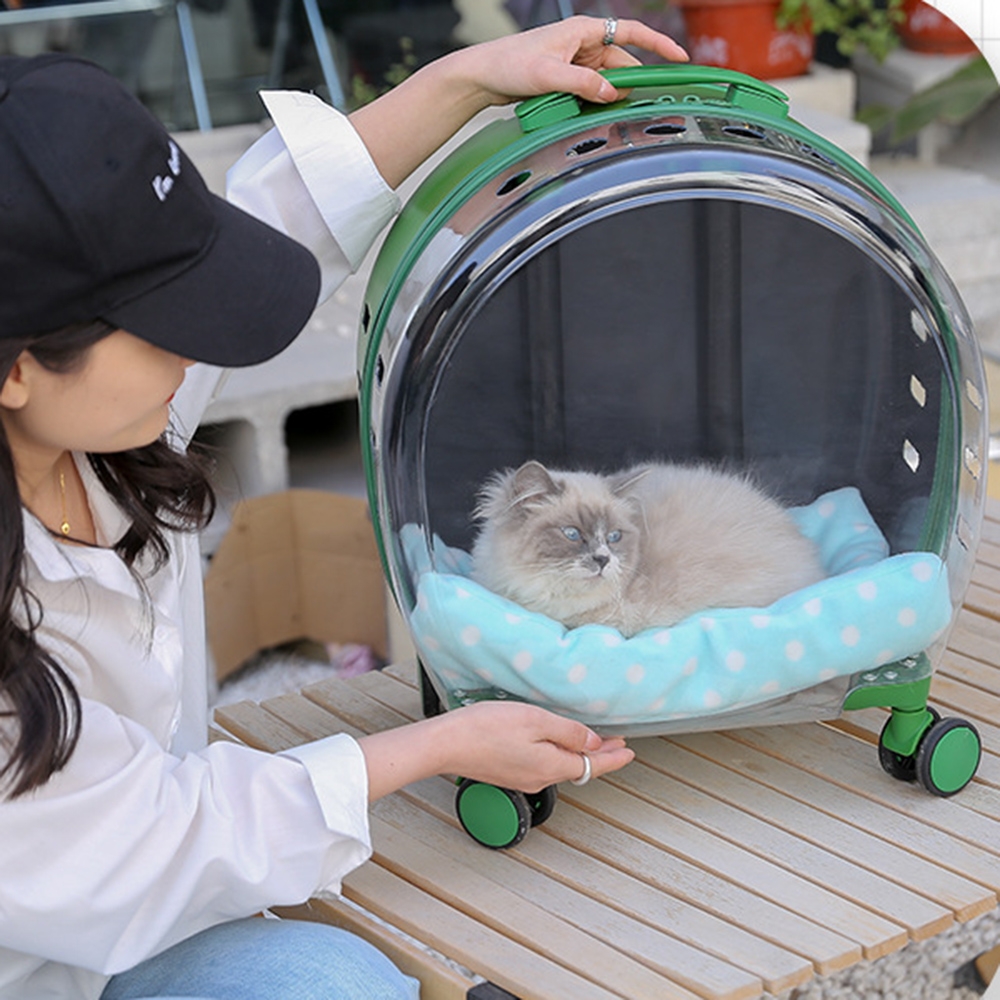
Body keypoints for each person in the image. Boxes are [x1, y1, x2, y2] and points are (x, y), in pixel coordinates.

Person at [0, 16, 687, 1000]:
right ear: (18, 368)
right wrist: (438, 743)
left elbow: (281, 212)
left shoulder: (92, 428)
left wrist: (468, 80)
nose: (200, 346)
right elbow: (140, 842)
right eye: (163, 324)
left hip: (125, 906)